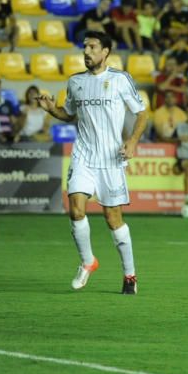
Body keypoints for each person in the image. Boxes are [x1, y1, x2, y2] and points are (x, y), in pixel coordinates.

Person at [35, 31, 147, 294]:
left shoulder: (120, 80)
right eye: (85, 47)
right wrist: (53, 109)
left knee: (113, 218)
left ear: (105, 51)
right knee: (76, 208)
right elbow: (69, 113)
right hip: (84, 155)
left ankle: (129, 274)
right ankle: (88, 262)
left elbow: (141, 113)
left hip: (111, 158)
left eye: (93, 47)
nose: (87, 52)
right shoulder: (75, 82)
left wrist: (132, 141)